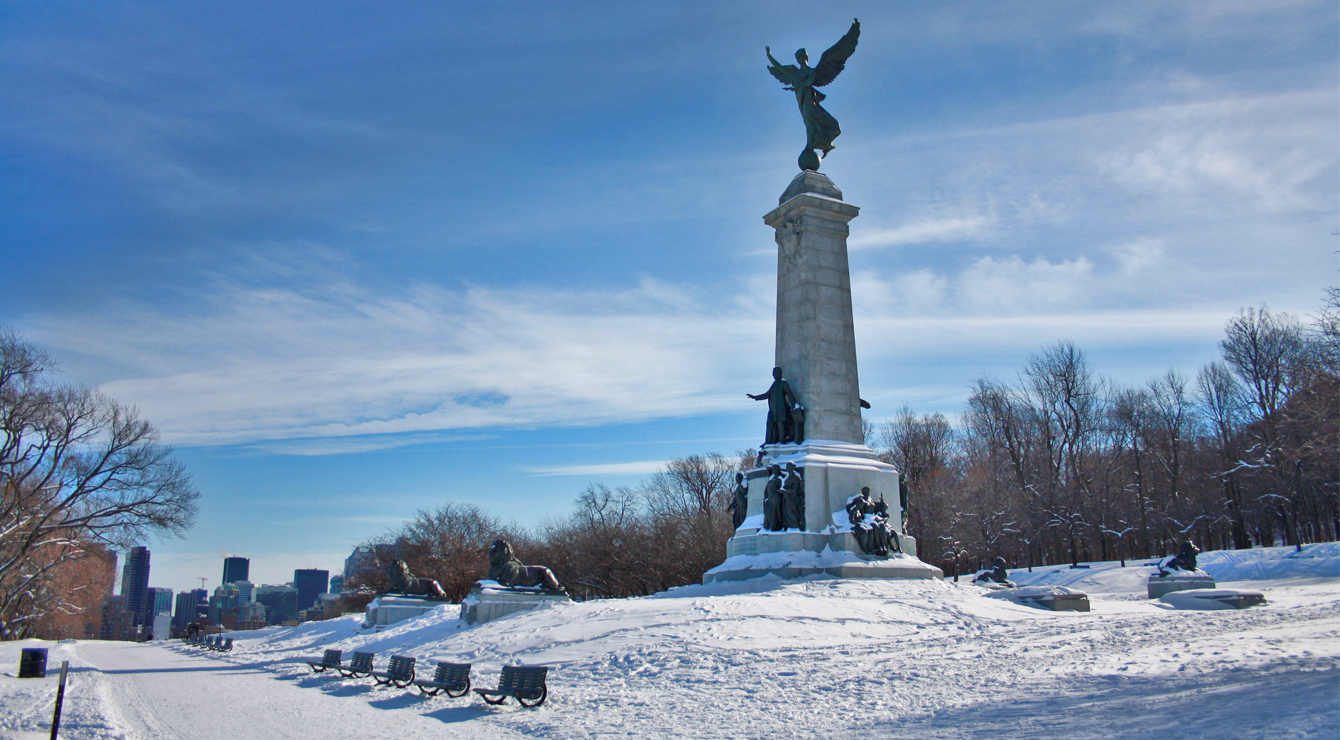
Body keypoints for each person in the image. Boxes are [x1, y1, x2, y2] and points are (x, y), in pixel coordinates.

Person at [747, 366, 798, 444]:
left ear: (779, 373)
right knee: (769, 424)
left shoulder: (783, 383)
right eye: (772, 373)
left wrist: (794, 405)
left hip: (781, 408)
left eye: (774, 373)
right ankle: (768, 442)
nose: (773, 375)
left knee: (780, 424)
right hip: (773, 408)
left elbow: (789, 394)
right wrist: (754, 397)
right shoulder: (774, 384)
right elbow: (767, 394)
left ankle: (781, 441)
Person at [781, 462, 805, 530]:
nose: (787, 468)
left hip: (793, 498)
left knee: (792, 512)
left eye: (788, 467)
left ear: (792, 468)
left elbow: (794, 490)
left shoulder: (795, 477)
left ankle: (795, 527)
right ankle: (790, 527)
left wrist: (785, 491)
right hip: (787, 498)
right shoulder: (787, 477)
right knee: (787, 513)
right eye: (787, 467)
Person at [762, 465, 785, 531]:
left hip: (776, 498)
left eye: (774, 469)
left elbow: (782, 488)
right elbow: (766, 490)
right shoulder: (771, 479)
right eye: (773, 469)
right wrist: (766, 498)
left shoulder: (780, 479)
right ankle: (770, 526)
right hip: (770, 498)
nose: (773, 470)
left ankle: (775, 526)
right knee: (769, 512)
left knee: (776, 512)